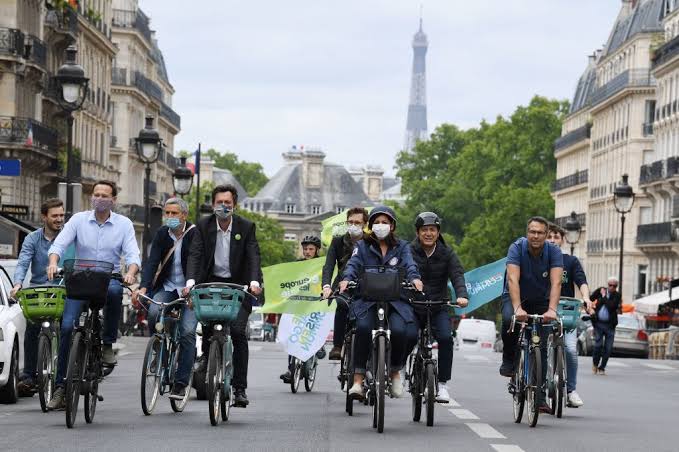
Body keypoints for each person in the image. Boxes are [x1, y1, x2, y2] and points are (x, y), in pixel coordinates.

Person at [45, 180, 140, 410]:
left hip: (108, 279)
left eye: (104, 195)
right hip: (79, 279)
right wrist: (53, 262)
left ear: (113, 200)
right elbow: (59, 244)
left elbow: (133, 254)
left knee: (116, 292)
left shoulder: (124, 224)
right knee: (67, 327)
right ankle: (60, 387)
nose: (99, 198)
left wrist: (130, 272)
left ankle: (107, 344)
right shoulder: (78, 220)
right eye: (96, 194)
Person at [184, 184, 262, 408]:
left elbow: (253, 255)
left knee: (237, 332)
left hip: (240, 286)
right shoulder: (203, 226)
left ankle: (239, 389)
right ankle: (208, 360)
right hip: (211, 284)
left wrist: (254, 282)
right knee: (209, 326)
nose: (224, 206)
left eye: (228, 203)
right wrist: (190, 282)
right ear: (213, 205)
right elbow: (195, 254)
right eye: (220, 202)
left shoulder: (246, 227)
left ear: (234, 205)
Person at [340, 205, 423, 400]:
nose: (380, 226)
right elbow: (353, 265)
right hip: (367, 300)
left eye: (384, 222)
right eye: (376, 222)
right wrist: (346, 278)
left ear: (392, 226)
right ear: (370, 226)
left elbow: (410, 265)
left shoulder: (402, 247)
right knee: (362, 328)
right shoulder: (362, 246)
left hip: (396, 301)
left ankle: (395, 372)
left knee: (401, 330)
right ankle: (358, 380)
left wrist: (415, 278)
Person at [133, 198, 198, 400]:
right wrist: (143, 286)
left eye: (174, 213)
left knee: (187, 332)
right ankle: (159, 350)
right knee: (153, 313)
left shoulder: (195, 234)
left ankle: (180, 383)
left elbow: (200, 262)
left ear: (184, 215)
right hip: (168, 288)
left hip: (190, 290)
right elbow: (152, 262)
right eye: (167, 213)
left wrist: (194, 285)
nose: (169, 217)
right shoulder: (162, 233)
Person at [500, 216, 562, 414]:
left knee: (541, 346)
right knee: (510, 319)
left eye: (540, 233)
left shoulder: (553, 251)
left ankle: (540, 396)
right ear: (527, 233)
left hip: (541, 299)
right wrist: (518, 308)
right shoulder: (517, 248)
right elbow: (512, 279)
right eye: (532, 232)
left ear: (546, 235)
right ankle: (510, 360)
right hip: (516, 296)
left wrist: (552, 309)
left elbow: (556, 283)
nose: (535, 236)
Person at [409, 212, 469, 404]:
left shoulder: (447, 253)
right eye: (424, 230)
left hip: (438, 305)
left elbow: (457, 275)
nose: (428, 233)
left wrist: (461, 295)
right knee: (406, 335)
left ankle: (442, 385)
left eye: (432, 230)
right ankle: (400, 368)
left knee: (445, 338)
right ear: (418, 232)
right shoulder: (408, 251)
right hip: (413, 305)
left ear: (438, 232)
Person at [12, 199, 66, 395]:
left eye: (61, 215)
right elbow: (23, 262)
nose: (59, 219)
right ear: (44, 217)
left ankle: (67, 370)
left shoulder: (69, 236)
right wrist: (18, 283)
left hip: (63, 289)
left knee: (67, 326)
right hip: (40, 291)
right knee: (32, 327)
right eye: (55, 216)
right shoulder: (33, 239)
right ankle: (29, 376)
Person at [547, 223, 593, 408]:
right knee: (540, 347)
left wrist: (586, 298)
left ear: (562, 240)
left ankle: (571, 390)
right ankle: (539, 386)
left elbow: (581, 281)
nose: (552, 240)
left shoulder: (571, 261)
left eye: (556, 237)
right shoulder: (539, 260)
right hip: (544, 310)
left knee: (571, 350)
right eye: (549, 236)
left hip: (566, 312)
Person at [322, 207, 368, 361]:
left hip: (367, 286)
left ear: (365, 224)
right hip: (343, 286)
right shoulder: (337, 241)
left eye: (357, 222)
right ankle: (337, 346)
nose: (354, 225)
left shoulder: (371, 242)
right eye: (351, 222)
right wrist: (327, 286)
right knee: (341, 304)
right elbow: (328, 266)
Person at [280, 235, 324, 384]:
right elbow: (289, 281)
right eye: (305, 249)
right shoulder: (297, 264)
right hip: (299, 302)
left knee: (317, 323)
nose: (307, 251)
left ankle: (319, 346)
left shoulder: (322, 265)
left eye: (311, 249)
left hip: (316, 302)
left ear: (317, 250)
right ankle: (290, 369)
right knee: (294, 334)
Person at [590, 276, 622, 375]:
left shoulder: (617, 295)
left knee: (608, 348)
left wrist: (604, 297)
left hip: (610, 325)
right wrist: (590, 307)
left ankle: (602, 367)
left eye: (614, 286)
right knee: (598, 345)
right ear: (607, 284)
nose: (612, 287)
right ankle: (595, 364)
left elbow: (611, 306)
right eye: (610, 285)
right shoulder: (601, 290)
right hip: (598, 323)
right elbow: (590, 298)